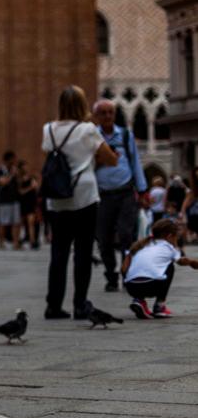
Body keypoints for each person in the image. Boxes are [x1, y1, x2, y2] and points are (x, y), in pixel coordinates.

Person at [41, 85, 118, 320]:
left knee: (59, 252)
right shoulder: (87, 130)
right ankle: (80, 304)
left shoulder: (49, 130)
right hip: (83, 195)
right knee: (83, 252)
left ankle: (53, 305)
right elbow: (110, 159)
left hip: (57, 199)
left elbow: (50, 155)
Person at [91, 99, 148, 291]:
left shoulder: (125, 135)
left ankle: (126, 273)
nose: (107, 116)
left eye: (111, 112)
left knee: (126, 235)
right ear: (96, 116)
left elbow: (135, 162)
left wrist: (142, 190)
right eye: (103, 113)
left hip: (125, 192)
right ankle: (111, 275)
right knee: (104, 238)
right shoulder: (92, 137)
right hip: (102, 195)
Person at [122, 218, 195, 319]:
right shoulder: (168, 247)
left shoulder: (140, 245)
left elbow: (123, 268)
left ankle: (139, 301)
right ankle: (159, 307)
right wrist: (192, 262)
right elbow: (181, 261)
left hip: (131, 287)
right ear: (169, 236)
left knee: (142, 269)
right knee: (170, 266)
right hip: (151, 286)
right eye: (176, 237)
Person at [0, 151, 21, 250]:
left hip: (15, 199)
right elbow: (2, 182)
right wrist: (11, 175)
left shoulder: (15, 170)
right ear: (8, 159)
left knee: (16, 222)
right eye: (14, 158)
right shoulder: (0, 170)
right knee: (3, 222)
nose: (15, 161)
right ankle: (1, 242)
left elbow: (19, 184)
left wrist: (18, 176)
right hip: (4, 201)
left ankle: (16, 243)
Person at [17, 161, 40, 250]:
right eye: (24, 167)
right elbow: (21, 192)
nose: (26, 168)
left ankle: (32, 241)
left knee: (31, 222)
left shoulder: (31, 177)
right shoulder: (19, 179)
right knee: (21, 223)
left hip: (31, 202)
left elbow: (36, 188)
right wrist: (31, 188)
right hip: (23, 202)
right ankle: (19, 240)